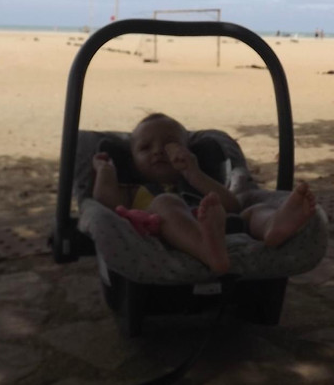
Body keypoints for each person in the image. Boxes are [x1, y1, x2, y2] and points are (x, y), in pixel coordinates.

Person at [91, 112, 318, 274]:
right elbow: (106, 203)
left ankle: (272, 226)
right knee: (166, 203)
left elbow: (232, 206)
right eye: (145, 148)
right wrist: (105, 171)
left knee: (252, 212)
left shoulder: (196, 182)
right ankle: (207, 250)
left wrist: (193, 173)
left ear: (188, 151)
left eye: (169, 144)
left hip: (220, 228)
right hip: (171, 237)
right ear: (132, 162)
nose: (158, 151)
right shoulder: (133, 191)